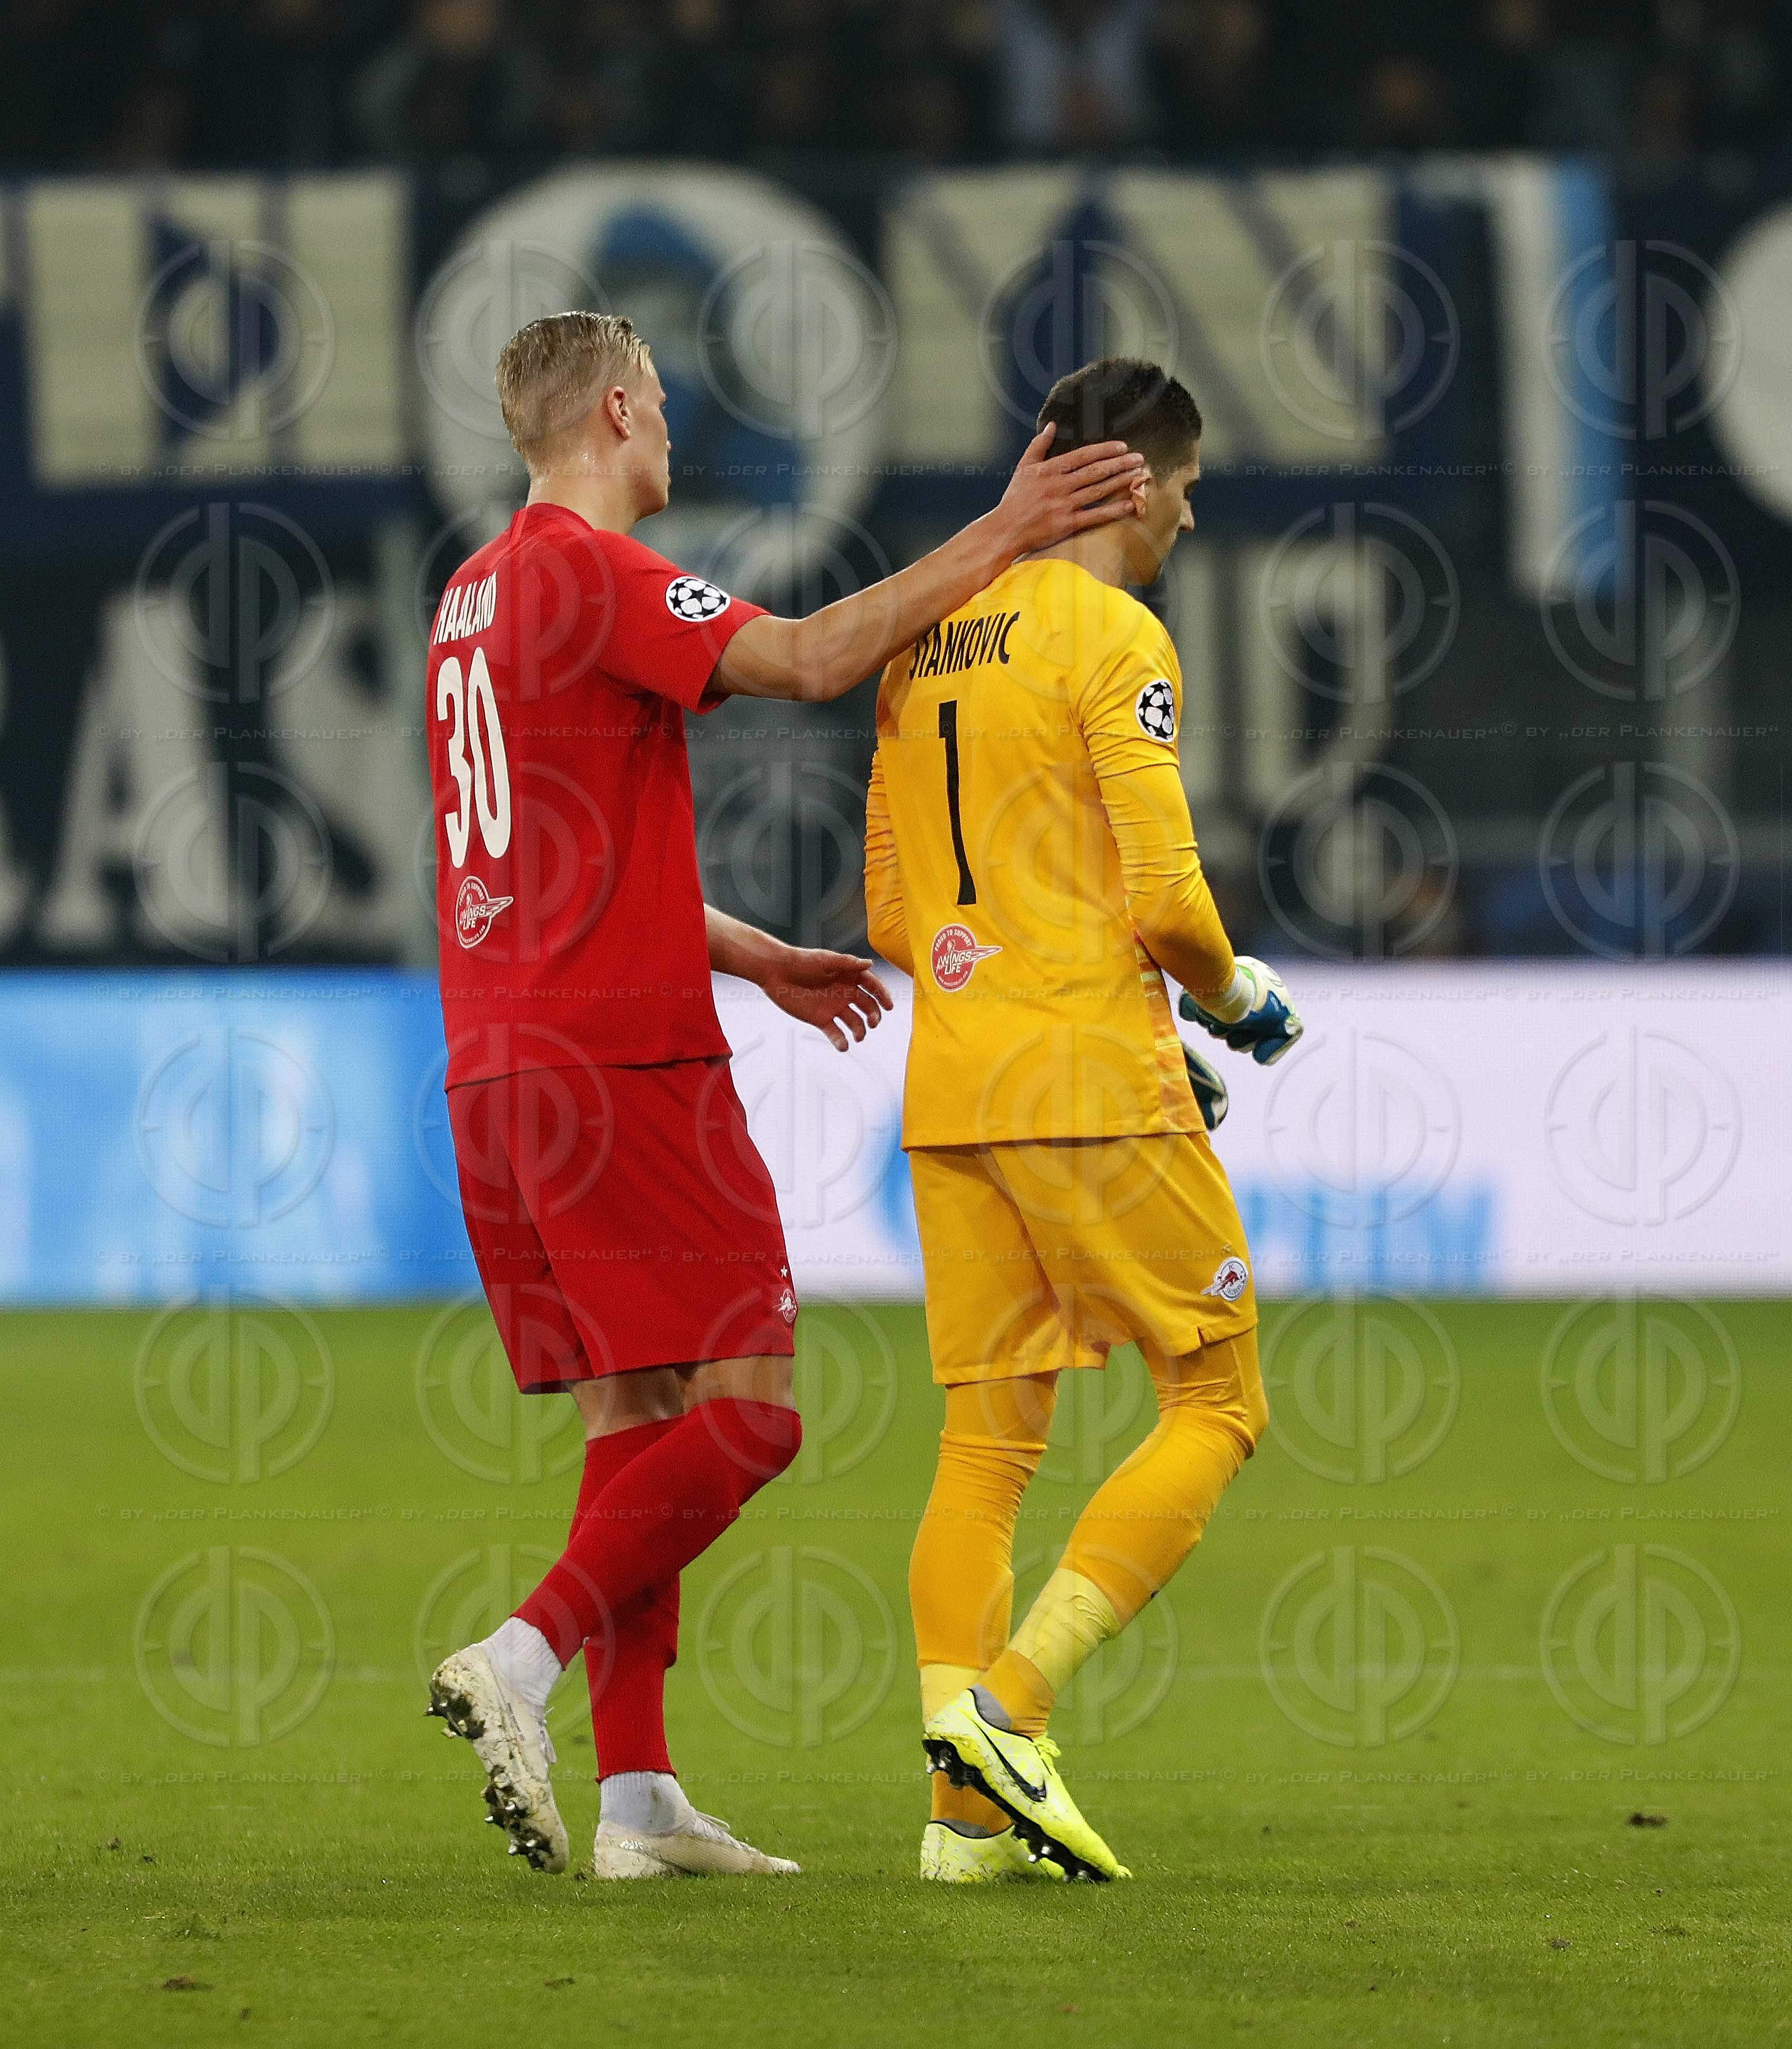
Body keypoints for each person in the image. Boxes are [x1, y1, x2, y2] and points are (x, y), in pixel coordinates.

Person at [423, 310, 1147, 1881]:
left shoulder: (470, 602)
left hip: (498, 1062)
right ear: (617, 411)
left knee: (640, 1412)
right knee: (755, 1413)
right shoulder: (593, 570)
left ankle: (636, 1804)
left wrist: (749, 953)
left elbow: (541, 860)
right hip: (622, 1064)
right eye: (665, 404)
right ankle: (521, 1658)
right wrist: (1010, 530)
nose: (673, 429)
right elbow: (815, 659)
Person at [864, 355, 1303, 1882]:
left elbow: (889, 905)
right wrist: (1233, 999)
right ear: (1136, 482)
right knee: (1221, 1395)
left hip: (956, 1086)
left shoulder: (917, 648)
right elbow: (1172, 896)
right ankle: (1014, 1706)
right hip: (1084, 1071)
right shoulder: (1115, 638)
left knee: (987, 1440)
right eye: (1184, 483)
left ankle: (963, 1819)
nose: (1191, 511)